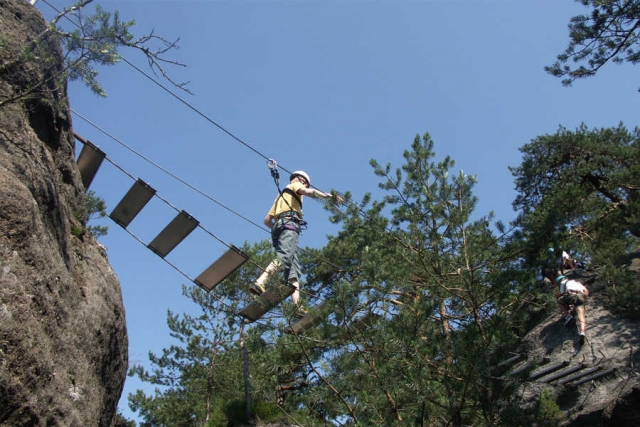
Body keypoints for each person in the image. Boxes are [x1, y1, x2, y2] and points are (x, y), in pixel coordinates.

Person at [250, 171, 339, 314]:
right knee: (284, 256)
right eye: (304, 182)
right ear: (299, 180)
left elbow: (267, 220)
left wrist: (278, 227)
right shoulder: (295, 185)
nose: (304, 184)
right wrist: (327, 196)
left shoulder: (281, 197)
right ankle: (260, 282)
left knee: (293, 271)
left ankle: (297, 306)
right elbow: (306, 192)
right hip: (289, 224)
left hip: (278, 228)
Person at [555, 275, 590, 342]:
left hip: (571, 295)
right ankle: (582, 332)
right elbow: (586, 291)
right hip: (580, 296)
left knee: (559, 301)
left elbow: (563, 294)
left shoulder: (563, 283)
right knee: (582, 317)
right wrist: (583, 302)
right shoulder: (577, 282)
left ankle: (568, 316)